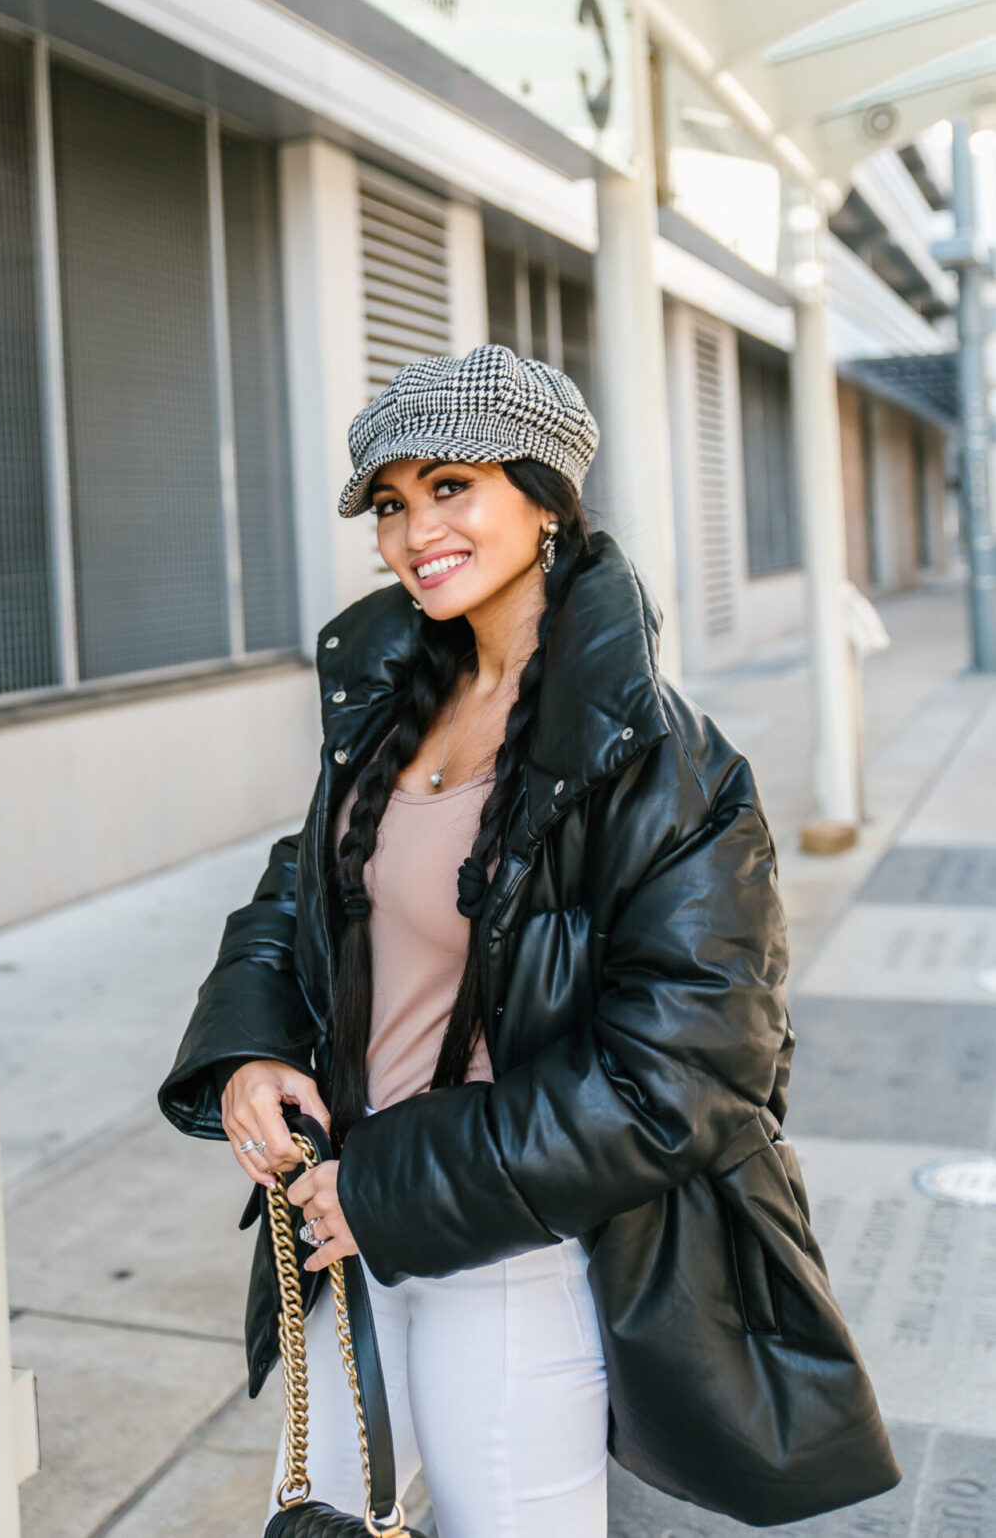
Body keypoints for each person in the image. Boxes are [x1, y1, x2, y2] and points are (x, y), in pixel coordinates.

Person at [157, 343, 795, 1537]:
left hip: (505, 1244)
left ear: (545, 499)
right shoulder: (391, 700)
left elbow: (695, 1079)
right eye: (392, 506)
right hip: (339, 1214)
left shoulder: (663, 764)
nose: (414, 533)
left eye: (453, 485)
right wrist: (248, 1052)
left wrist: (396, 1185)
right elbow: (299, 897)